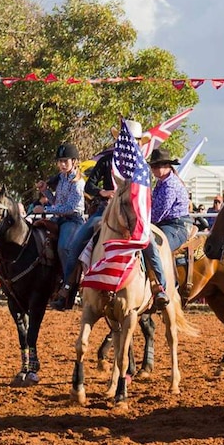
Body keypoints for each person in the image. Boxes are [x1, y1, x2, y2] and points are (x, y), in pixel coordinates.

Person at [51, 120, 143, 310]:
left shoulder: (140, 166)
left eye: (133, 140)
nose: (129, 143)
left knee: (150, 245)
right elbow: (90, 185)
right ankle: (67, 288)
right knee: (76, 243)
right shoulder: (107, 160)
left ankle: (159, 285)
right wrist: (103, 192)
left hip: (134, 212)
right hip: (105, 210)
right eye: (125, 139)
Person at [34, 143, 85, 309]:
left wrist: (45, 209)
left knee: (63, 247)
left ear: (74, 161)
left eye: (65, 161)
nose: (62, 164)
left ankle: (69, 283)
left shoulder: (78, 182)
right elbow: (58, 202)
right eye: (60, 161)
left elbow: (70, 207)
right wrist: (45, 192)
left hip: (73, 219)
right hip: (60, 218)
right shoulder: (62, 178)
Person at [143, 148, 192, 311]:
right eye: (154, 166)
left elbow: (158, 213)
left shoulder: (170, 185)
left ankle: (162, 287)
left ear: (167, 166)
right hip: (165, 225)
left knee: (155, 247)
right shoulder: (162, 183)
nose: (155, 169)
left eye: (159, 166)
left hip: (177, 226)